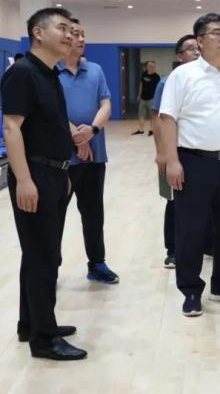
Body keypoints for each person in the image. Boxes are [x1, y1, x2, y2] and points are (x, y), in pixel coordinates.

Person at [1, 7, 87, 360]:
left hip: (53, 174)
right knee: (44, 257)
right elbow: (12, 128)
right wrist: (24, 180)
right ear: (38, 32)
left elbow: (51, 122)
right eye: (62, 28)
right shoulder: (22, 72)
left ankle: (31, 323)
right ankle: (44, 338)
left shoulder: (48, 73)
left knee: (40, 253)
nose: (70, 35)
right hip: (34, 174)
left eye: (72, 30)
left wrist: (63, 172)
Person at [159, 13, 220, 317]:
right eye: (216, 33)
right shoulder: (183, 76)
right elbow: (167, 119)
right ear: (200, 41)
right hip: (194, 162)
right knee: (190, 229)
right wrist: (172, 161)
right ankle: (191, 290)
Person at [57, 18, 119, 284]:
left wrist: (91, 132)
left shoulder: (95, 70)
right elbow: (52, 110)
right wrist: (77, 139)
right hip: (61, 159)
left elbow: (106, 104)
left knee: (93, 213)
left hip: (95, 156)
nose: (81, 39)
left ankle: (97, 263)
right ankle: (50, 266)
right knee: (55, 215)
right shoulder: (51, 71)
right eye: (75, 33)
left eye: (83, 34)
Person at [150, 35, 201, 269]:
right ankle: (173, 249)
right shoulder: (167, 82)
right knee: (174, 201)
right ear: (180, 56)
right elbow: (157, 119)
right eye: (190, 49)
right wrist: (162, 153)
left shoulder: (207, 79)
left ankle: (205, 244)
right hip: (174, 152)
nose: (197, 52)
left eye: (198, 48)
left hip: (199, 152)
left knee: (202, 201)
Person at [133, 60, 159, 135]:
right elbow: (141, 84)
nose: (151, 67)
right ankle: (140, 130)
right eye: (149, 66)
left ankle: (152, 130)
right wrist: (139, 95)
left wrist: (157, 99)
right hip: (143, 99)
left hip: (151, 99)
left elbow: (158, 89)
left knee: (152, 115)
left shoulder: (156, 77)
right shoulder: (144, 74)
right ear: (147, 67)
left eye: (153, 66)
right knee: (141, 114)